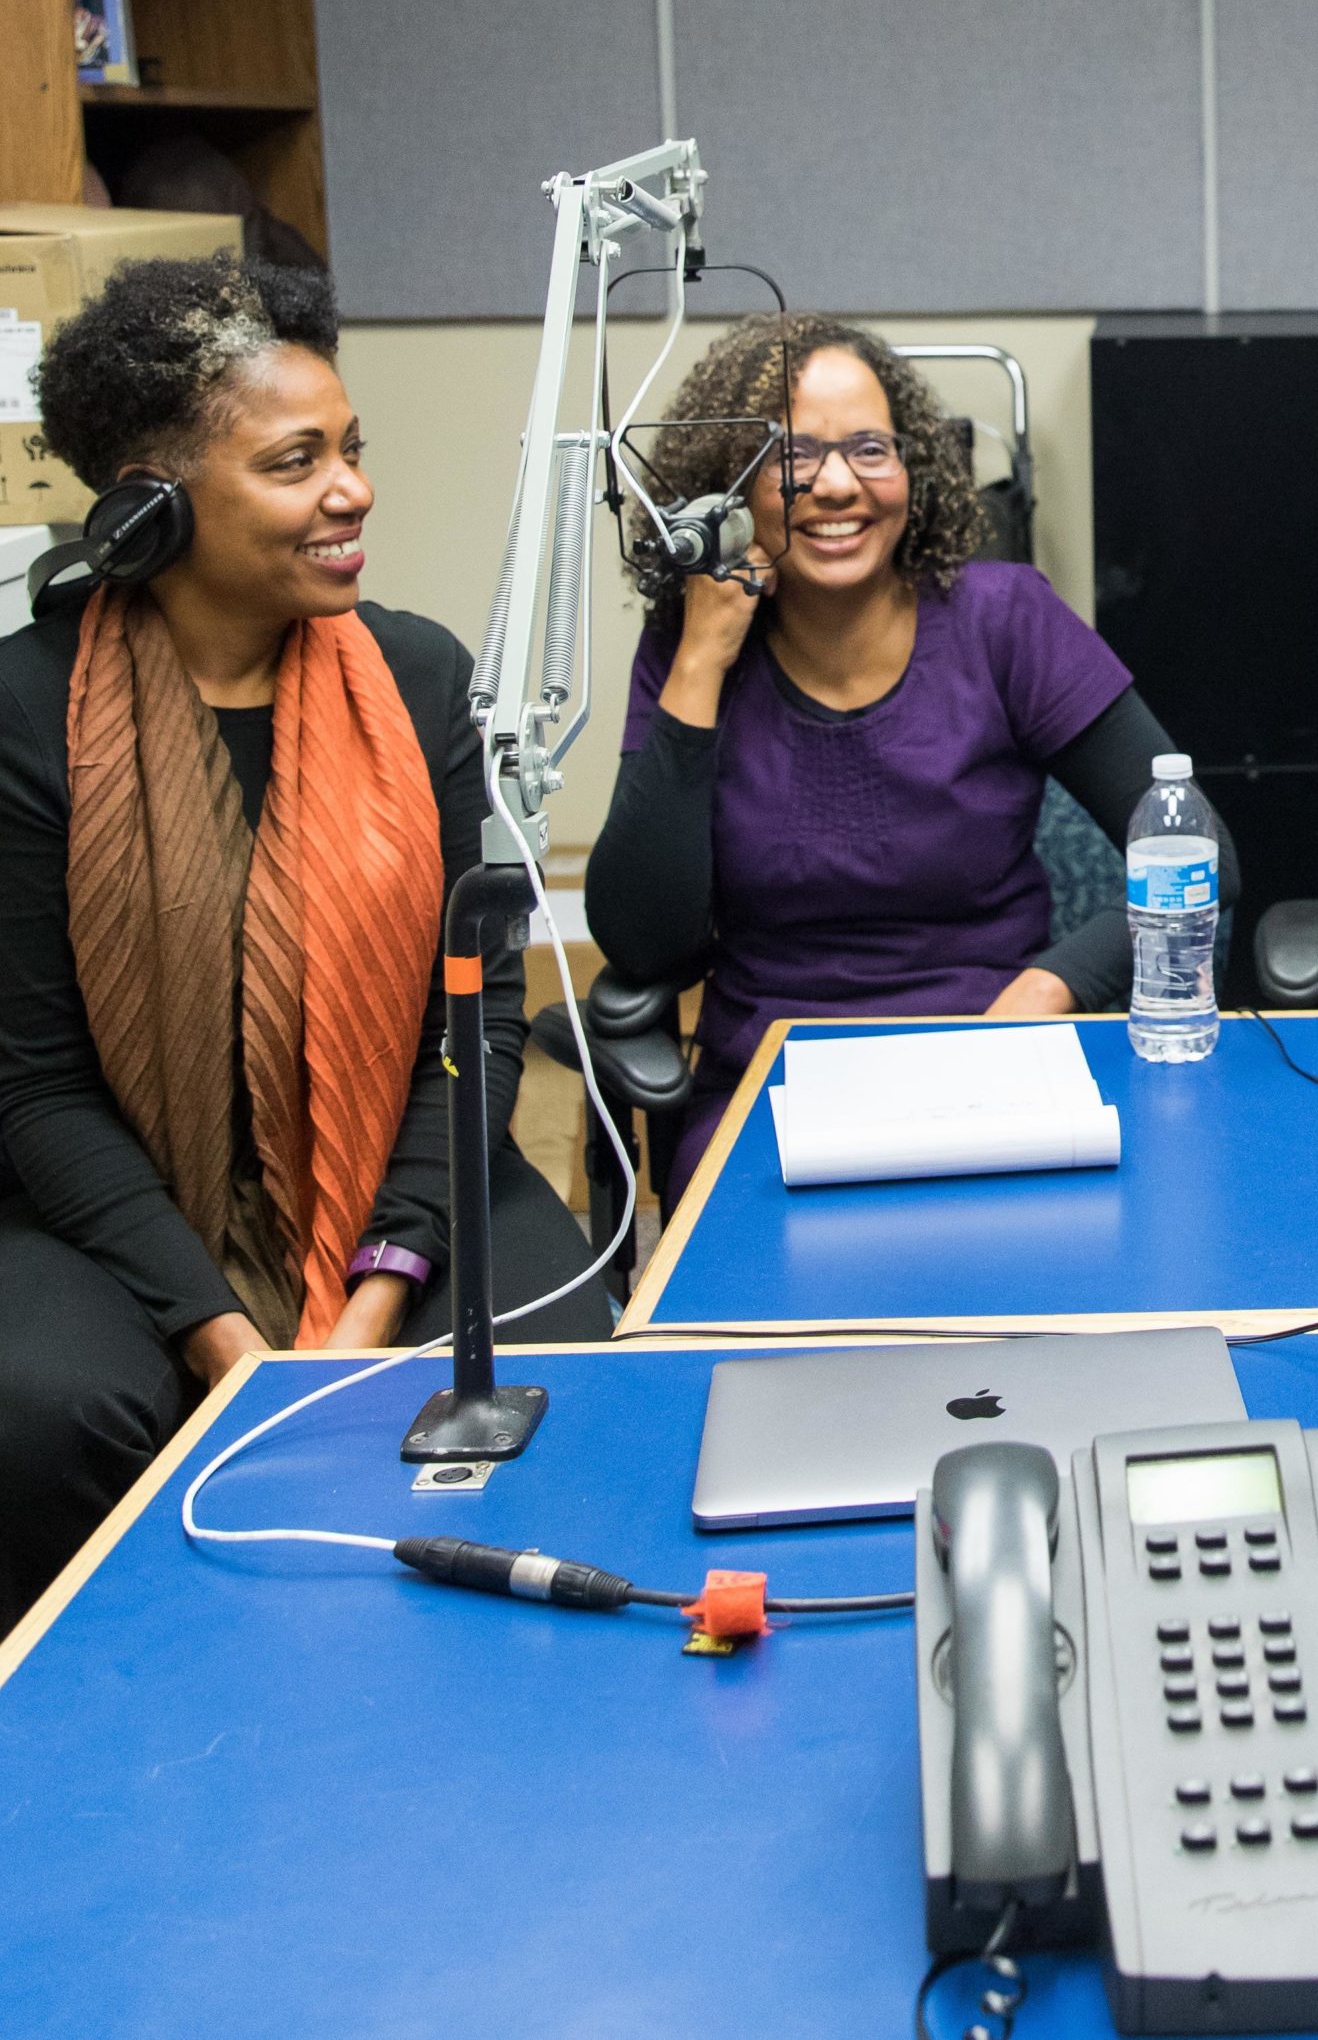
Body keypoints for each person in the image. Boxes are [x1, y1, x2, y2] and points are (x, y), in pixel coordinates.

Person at [0, 255, 610, 1631]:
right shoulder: (25, 718)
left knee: (561, 1354)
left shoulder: (420, 676)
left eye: (352, 449)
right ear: (153, 509)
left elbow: (480, 1023)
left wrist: (382, 1282)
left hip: (405, 1160)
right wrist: (226, 1331)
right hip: (116, 1203)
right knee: (59, 1409)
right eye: (296, 462)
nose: (354, 491)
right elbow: (34, 1085)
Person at [584, 314, 1234, 1199]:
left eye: (869, 450)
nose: (838, 484)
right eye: (796, 458)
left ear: (912, 471)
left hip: (1000, 1064)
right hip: (772, 1088)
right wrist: (700, 660)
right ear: (731, 490)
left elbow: (1206, 858)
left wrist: (1050, 988)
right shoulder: (691, 644)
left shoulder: (1006, 619)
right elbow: (641, 941)